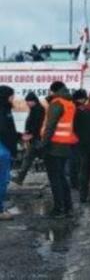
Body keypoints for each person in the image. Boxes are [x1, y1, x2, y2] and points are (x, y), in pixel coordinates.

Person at [42, 81, 78, 218]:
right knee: (61, 177)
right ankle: (68, 207)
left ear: (53, 91)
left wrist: (43, 144)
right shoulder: (69, 103)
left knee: (55, 179)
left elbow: (50, 126)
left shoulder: (57, 103)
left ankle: (59, 209)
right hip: (65, 145)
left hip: (54, 145)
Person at [14, 92, 45, 185]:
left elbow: (37, 125)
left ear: (33, 101)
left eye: (28, 101)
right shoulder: (35, 109)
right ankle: (20, 178)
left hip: (37, 139)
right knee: (28, 157)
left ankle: (20, 178)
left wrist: (31, 134)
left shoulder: (38, 110)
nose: (27, 103)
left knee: (43, 158)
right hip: (34, 138)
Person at [0, 86, 18, 221]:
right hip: (3, 149)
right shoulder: (4, 110)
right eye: (12, 96)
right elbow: (6, 131)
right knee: (2, 181)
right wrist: (13, 148)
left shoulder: (6, 109)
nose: (13, 98)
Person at [68, 89, 88, 190]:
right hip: (78, 139)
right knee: (78, 162)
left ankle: (73, 182)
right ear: (80, 99)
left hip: (70, 138)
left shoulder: (70, 107)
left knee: (72, 161)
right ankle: (77, 183)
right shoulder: (80, 109)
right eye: (84, 98)